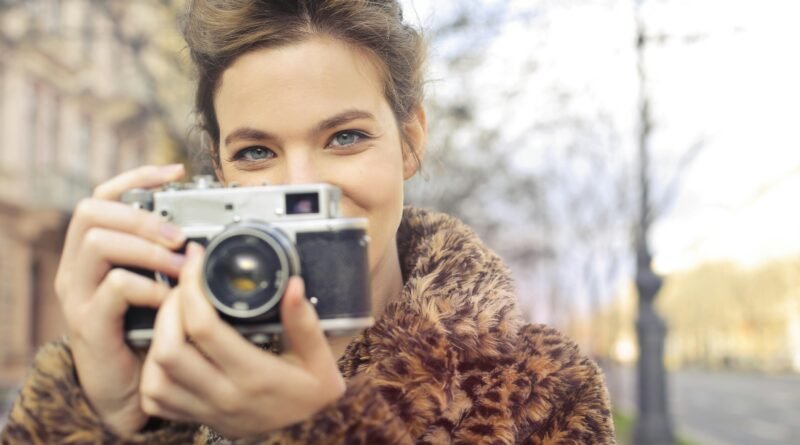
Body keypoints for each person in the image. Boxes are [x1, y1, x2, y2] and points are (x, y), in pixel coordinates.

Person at [1, 1, 615, 443]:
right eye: (256, 152)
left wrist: (322, 432)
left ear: (409, 141)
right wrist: (101, 414)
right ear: (218, 170)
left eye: (345, 137)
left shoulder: (540, 391)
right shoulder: (163, 378)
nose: (302, 185)